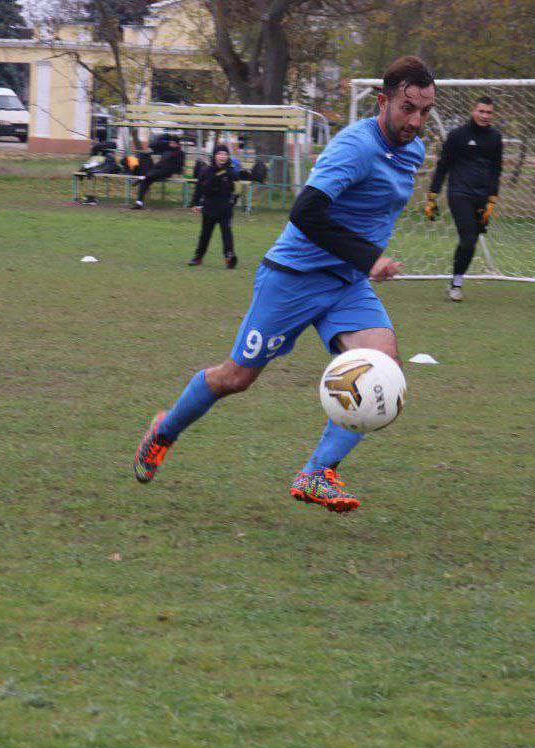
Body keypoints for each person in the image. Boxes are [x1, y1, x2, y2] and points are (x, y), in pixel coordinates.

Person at [133, 56, 436, 513]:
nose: (416, 120)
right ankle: (164, 430)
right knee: (236, 378)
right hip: (293, 278)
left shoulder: (413, 150)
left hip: (346, 284)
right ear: (383, 101)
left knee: (383, 365)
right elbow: (306, 212)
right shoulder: (355, 147)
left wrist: (361, 261)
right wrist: (369, 256)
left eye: (425, 111)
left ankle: (317, 473)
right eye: (408, 108)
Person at [424, 96, 503, 302]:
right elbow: (443, 167)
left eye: (489, 112)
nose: (485, 116)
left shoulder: (495, 138)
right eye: (481, 111)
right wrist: (432, 196)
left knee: (471, 242)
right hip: (459, 194)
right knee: (468, 238)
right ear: (473, 111)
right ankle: (456, 286)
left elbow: (496, 171)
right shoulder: (457, 135)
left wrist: (492, 200)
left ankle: (456, 281)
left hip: (482, 197)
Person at [188, 144, 267, 268]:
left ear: (228, 156)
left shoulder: (231, 172)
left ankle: (229, 257)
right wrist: (194, 203)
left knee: (227, 234)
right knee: (205, 234)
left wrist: (232, 202)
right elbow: (199, 189)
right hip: (209, 208)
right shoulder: (206, 171)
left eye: (225, 154)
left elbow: (238, 189)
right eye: (219, 154)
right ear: (214, 156)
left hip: (225, 210)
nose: (222, 157)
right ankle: (198, 257)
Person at [131, 134, 185, 209]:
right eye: (170, 142)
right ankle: (139, 203)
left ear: (177, 144)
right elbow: (153, 145)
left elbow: (179, 166)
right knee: (143, 158)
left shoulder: (180, 153)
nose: (171, 144)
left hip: (166, 171)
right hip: (156, 170)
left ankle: (141, 178)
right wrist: (166, 136)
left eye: (173, 143)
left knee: (149, 176)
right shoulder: (167, 148)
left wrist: (177, 172)